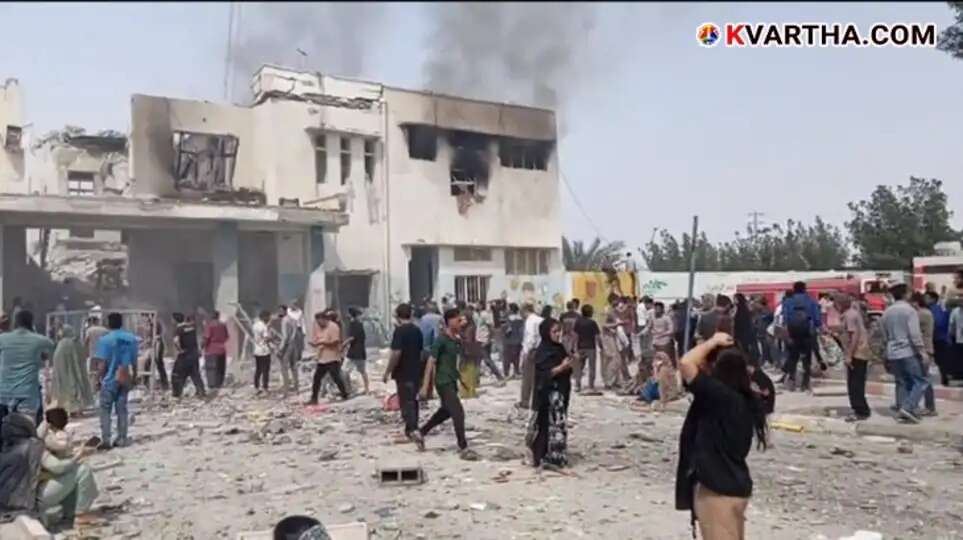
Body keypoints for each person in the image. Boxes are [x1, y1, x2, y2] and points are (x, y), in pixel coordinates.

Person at [676, 333, 768, 540]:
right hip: (735, 484)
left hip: (717, 489)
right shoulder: (742, 400)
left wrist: (713, 341)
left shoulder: (721, 397)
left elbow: (686, 363)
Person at [418, 309, 470, 456]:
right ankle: (463, 445)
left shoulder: (456, 340)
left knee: (446, 411)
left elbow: (453, 363)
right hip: (442, 381)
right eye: (457, 320)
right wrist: (425, 386)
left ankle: (421, 432)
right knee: (458, 412)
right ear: (450, 321)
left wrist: (461, 380)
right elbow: (430, 362)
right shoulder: (441, 340)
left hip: (452, 381)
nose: (460, 323)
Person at [36, 407, 99, 527]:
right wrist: (78, 456)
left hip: (38, 492)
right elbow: (57, 467)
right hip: (41, 495)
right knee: (82, 470)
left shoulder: (35, 442)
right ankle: (81, 515)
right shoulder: (39, 445)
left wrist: (76, 454)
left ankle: (70, 512)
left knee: (73, 471)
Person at [880, 284, 931, 424]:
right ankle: (908, 408)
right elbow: (914, 334)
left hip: (893, 351)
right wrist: (922, 351)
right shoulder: (909, 311)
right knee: (921, 381)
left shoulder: (887, 312)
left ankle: (904, 410)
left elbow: (884, 334)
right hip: (908, 350)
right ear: (905, 294)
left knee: (902, 382)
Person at [527, 318, 573, 468]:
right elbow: (546, 373)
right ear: (546, 333)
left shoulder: (559, 347)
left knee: (559, 424)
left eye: (559, 331)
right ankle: (541, 455)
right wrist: (562, 367)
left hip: (561, 392)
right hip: (548, 394)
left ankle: (557, 456)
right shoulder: (542, 351)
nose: (558, 334)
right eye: (554, 331)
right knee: (546, 424)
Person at [0, 310, 55, 424]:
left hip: (4, 394)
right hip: (27, 394)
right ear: (31, 322)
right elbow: (51, 345)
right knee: (27, 429)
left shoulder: (3, 338)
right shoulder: (38, 339)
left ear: (15, 322)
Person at [93, 312, 138, 450]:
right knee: (122, 409)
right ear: (121, 323)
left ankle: (106, 439)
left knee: (105, 409)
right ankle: (122, 438)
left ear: (108, 323)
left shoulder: (105, 340)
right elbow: (134, 361)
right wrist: (134, 376)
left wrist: (97, 379)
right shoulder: (131, 339)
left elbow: (102, 364)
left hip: (109, 379)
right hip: (124, 378)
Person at [383, 304, 424, 447]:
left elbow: (396, 353)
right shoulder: (417, 331)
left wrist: (388, 371)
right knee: (413, 400)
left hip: (403, 372)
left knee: (406, 402)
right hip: (416, 371)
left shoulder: (399, 332)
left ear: (397, 316)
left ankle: (413, 430)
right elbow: (420, 351)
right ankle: (412, 428)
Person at [0, 412, 44, 514]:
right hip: (19, 502)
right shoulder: (34, 445)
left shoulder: (19, 450)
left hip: (10, 501)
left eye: (6, 425)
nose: (3, 428)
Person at [836, 294, 871, 422]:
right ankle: (860, 409)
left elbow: (854, 336)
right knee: (855, 382)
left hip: (857, 353)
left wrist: (849, 355)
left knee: (855, 384)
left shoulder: (850, 316)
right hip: (859, 352)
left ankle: (860, 410)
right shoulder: (851, 314)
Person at [781, 282, 822, 392]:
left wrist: (787, 334)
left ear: (794, 289)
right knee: (806, 358)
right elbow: (817, 319)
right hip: (807, 333)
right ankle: (805, 383)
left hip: (792, 332)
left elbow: (784, 319)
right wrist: (818, 327)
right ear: (805, 289)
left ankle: (792, 381)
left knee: (792, 357)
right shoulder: (811, 301)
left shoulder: (788, 302)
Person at [49, 325, 94, 416]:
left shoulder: (65, 343)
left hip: (65, 372)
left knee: (67, 389)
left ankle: (72, 409)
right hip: (72, 371)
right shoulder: (73, 342)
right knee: (74, 387)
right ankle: (75, 409)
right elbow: (81, 357)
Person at [307, 312, 349, 404]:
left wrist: (321, 343)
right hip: (322, 358)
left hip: (332, 357)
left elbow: (335, 342)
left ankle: (345, 394)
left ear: (323, 319)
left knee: (336, 377)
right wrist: (315, 345)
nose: (318, 324)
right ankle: (314, 398)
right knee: (317, 378)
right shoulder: (320, 328)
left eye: (319, 322)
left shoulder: (333, 327)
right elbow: (318, 339)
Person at [912, 293, 937, 416]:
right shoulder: (925, 313)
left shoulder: (922, 314)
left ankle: (929, 407)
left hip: (924, 350)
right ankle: (928, 406)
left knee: (924, 379)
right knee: (923, 378)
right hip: (925, 349)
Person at [170, 313, 206, 399]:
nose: (171, 321)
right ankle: (201, 391)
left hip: (185, 355)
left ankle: (177, 393)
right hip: (194, 354)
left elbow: (176, 341)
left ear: (175, 320)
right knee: (195, 374)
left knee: (178, 374)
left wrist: (179, 350)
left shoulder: (178, 329)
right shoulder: (192, 327)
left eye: (172, 319)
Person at [518, 304, 543, 410]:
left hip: (532, 351)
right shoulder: (541, 320)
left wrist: (525, 352)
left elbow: (530, 337)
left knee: (527, 378)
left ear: (525, 311)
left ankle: (525, 401)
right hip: (541, 349)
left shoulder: (530, 321)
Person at [573, 304, 601, 392]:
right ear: (590, 313)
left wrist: (574, 348)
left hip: (580, 346)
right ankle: (591, 386)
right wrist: (600, 345)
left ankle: (577, 385)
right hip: (591, 347)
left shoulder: (578, 322)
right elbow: (597, 336)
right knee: (592, 367)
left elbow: (575, 336)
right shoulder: (593, 323)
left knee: (579, 367)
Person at [278, 303, 306, 393]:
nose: (279, 312)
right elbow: (294, 334)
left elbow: (285, 337)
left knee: (284, 367)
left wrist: (281, 349)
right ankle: (296, 387)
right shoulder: (293, 320)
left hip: (287, 346)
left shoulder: (284, 321)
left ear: (284, 311)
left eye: (280, 310)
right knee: (294, 367)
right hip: (294, 345)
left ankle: (286, 389)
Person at [926, 291, 952, 386]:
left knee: (939, 360)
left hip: (937, 338)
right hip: (944, 338)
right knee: (942, 361)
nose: (925, 300)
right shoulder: (943, 309)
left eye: (927, 298)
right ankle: (944, 378)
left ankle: (942, 379)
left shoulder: (933, 310)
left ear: (933, 299)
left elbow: (938, 323)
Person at [475, 302, 503, 381]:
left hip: (484, 340)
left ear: (480, 305)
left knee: (487, 360)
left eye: (477, 304)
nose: (476, 306)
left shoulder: (484, 315)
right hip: (480, 339)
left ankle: (499, 376)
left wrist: (489, 339)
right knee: (478, 360)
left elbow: (490, 327)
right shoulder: (480, 314)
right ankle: (476, 380)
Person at [345, 307, 369, 395]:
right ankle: (367, 389)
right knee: (362, 371)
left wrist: (343, 345)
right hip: (360, 351)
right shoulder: (359, 324)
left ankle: (348, 389)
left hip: (354, 352)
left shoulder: (354, 324)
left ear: (351, 315)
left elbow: (352, 337)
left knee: (344, 371)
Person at [202, 311, 229, 389]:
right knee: (221, 368)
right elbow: (227, 336)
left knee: (211, 368)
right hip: (222, 350)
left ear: (211, 316)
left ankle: (212, 385)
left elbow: (206, 338)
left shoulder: (209, 325)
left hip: (211, 350)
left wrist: (201, 347)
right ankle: (219, 384)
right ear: (218, 316)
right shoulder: (223, 325)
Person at [83, 317, 110, 395]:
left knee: (93, 374)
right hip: (103, 355)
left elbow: (86, 341)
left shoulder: (89, 330)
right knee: (104, 373)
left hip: (93, 355)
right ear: (98, 321)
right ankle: (105, 390)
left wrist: (85, 353)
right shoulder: (105, 330)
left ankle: (94, 391)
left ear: (91, 322)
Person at [501, 303, 525, 379]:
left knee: (506, 357)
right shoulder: (521, 318)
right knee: (516, 357)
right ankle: (516, 371)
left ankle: (506, 373)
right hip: (518, 340)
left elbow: (504, 328)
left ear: (511, 309)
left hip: (509, 340)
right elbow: (522, 330)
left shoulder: (507, 318)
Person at [733, 294, 757, 365]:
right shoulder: (745, 309)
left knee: (743, 351)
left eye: (735, 299)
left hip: (741, 334)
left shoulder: (739, 310)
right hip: (746, 334)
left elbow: (739, 323)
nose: (734, 301)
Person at [252, 310, 273, 394]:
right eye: (268, 317)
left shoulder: (255, 325)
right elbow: (266, 338)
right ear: (265, 317)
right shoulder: (263, 326)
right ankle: (265, 387)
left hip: (257, 350)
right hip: (264, 350)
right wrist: (272, 337)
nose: (269, 319)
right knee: (266, 370)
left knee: (258, 370)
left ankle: (256, 387)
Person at [651, 302, 676, 367]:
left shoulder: (667, 318)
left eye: (658, 308)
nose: (657, 310)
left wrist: (662, 334)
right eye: (655, 308)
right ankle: (659, 371)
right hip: (655, 341)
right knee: (658, 358)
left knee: (666, 357)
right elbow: (648, 326)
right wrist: (642, 333)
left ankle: (667, 371)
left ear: (662, 309)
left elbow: (671, 330)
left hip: (665, 342)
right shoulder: (653, 317)